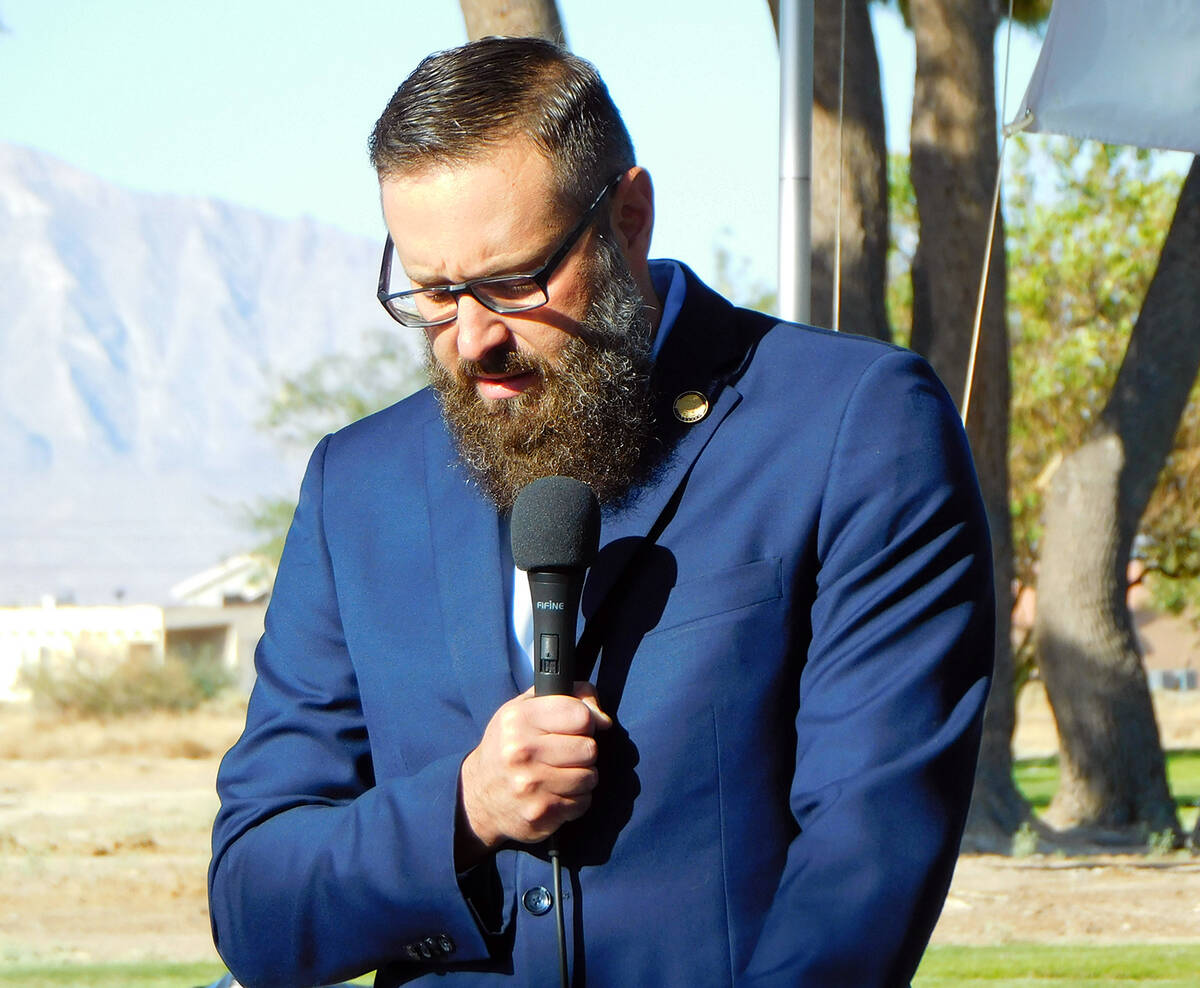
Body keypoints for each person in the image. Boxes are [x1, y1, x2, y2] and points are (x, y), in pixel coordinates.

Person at [208, 37, 994, 988]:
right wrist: (465, 809)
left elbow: (864, 861)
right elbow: (256, 903)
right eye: (435, 293)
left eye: (513, 282)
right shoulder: (358, 486)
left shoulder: (853, 424)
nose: (473, 339)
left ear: (629, 218)